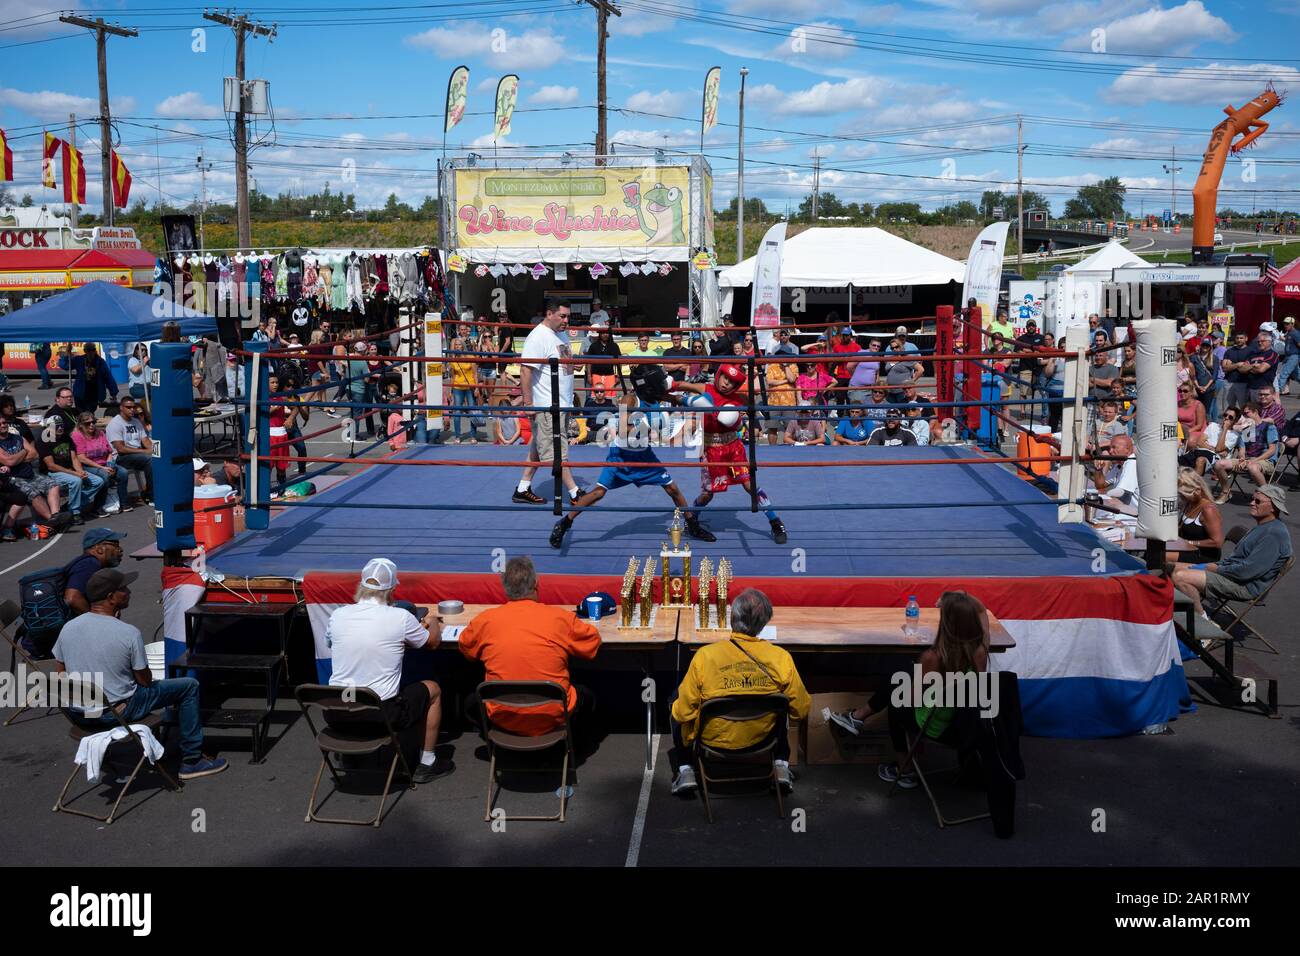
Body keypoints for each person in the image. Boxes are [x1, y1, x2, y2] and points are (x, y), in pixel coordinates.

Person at [54, 568, 229, 780]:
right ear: (111, 598)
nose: (129, 591)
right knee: (188, 686)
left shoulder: (68, 628)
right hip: (116, 712)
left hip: (80, 716)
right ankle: (191, 760)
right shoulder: (127, 633)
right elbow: (144, 681)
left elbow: (61, 674)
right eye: (123, 589)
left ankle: (165, 745)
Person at [827, 591, 993, 793]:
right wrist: (960, 597)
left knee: (895, 697)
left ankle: (904, 769)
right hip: (968, 726)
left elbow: (911, 699)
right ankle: (857, 717)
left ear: (946, 624)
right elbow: (982, 609)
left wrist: (909, 677)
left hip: (939, 727)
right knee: (898, 678)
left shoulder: (933, 657)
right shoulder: (981, 650)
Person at [668, 587, 809, 796]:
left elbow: (683, 713)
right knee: (783, 706)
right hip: (762, 738)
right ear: (764, 623)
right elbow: (801, 709)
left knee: (676, 701)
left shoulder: (705, 657)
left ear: (732, 619)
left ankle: (686, 768)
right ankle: (781, 765)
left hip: (712, 739)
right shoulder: (781, 658)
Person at [324, 558, 453, 783]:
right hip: (380, 714)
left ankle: (349, 755)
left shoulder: (338, 615)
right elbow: (431, 643)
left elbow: (332, 644)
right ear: (392, 590)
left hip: (336, 712)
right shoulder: (400, 617)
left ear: (361, 585)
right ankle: (427, 762)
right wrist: (432, 621)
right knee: (433, 689)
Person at [458, 555, 601, 742]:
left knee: (470, 701)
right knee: (587, 696)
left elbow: (466, 648)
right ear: (536, 584)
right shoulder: (560, 619)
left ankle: (500, 747)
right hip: (553, 715)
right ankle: (568, 749)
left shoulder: (485, 620)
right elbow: (592, 645)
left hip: (502, 715)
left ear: (505, 589)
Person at [550, 391, 715, 548]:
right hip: (620, 456)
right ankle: (565, 523)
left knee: (672, 488)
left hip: (643, 455)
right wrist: (644, 429)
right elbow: (622, 430)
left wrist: (688, 407)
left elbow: (675, 401)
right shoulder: (629, 399)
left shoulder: (656, 399)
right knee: (598, 493)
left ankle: (692, 524)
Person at [674, 365, 788, 543]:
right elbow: (681, 385)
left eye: (732, 382)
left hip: (733, 447)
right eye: (725, 378)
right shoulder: (706, 388)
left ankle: (775, 521)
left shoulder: (738, 399)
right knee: (708, 493)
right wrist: (663, 389)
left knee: (750, 485)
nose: (726, 384)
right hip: (710, 448)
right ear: (718, 375)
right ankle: (692, 520)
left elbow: (749, 406)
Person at [1172, 485, 1292, 617]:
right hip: (1231, 573)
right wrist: (1217, 567)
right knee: (1171, 568)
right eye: (1253, 499)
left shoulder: (1273, 535)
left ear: (1273, 507)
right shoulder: (1264, 526)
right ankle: (1179, 611)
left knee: (1181, 577)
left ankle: (1201, 621)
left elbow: (1248, 571)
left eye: (1257, 501)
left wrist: (1216, 569)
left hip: (1245, 585)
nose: (1251, 503)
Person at [513, 299, 581, 506]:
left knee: (539, 446)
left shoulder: (559, 334)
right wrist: (528, 404)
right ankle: (575, 493)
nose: (566, 321)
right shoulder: (538, 336)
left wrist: (572, 365)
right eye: (562, 316)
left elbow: (562, 362)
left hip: (561, 402)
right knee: (556, 451)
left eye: (568, 316)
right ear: (549, 314)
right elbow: (526, 370)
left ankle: (523, 488)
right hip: (546, 405)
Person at [0, 394, 67, 530]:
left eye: (5, 423)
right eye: (0, 424)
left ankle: (55, 515)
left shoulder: (18, 437)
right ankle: (51, 519)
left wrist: (17, 457)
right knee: (32, 493)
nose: (3, 425)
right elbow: (9, 461)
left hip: (29, 473)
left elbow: (34, 454)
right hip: (13, 477)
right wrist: (24, 452)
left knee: (53, 485)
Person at [38, 406, 105, 522]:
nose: (59, 428)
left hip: (69, 470)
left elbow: (74, 458)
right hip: (52, 473)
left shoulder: (66, 438)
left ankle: (71, 506)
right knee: (76, 481)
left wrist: (80, 471)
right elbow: (51, 466)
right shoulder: (44, 441)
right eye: (56, 426)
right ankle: (75, 513)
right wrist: (74, 473)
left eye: (61, 425)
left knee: (98, 481)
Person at [1212, 401, 1279, 503]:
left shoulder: (1268, 427)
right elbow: (1242, 449)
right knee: (1219, 464)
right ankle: (1226, 492)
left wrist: (1254, 461)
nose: (1244, 416)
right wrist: (1242, 458)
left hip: (1265, 460)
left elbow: (1272, 450)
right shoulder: (1247, 429)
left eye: (1246, 413)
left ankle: (1267, 495)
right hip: (1248, 460)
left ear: (1255, 412)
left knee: (1252, 467)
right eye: (1243, 414)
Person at [62, 527, 128, 616]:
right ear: (99, 548)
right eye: (115, 545)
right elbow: (72, 598)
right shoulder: (89, 564)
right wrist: (97, 621)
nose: (120, 549)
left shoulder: (94, 564)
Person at [105, 397, 153, 506]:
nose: (132, 410)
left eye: (133, 407)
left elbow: (146, 441)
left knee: (159, 458)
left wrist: (153, 450)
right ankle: (151, 496)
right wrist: (145, 451)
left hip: (136, 455)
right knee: (149, 460)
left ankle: (150, 491)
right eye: (128, 407)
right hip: (120, 457)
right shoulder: (115, 424)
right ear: (121, 408)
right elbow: (120, 448)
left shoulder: (136, 422)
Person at [1176, 467, 1224, 562]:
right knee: (1154, 548)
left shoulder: (1208, 510)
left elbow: (1218, 542)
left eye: (1183, 494)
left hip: (1204, 555)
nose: (1181, 497)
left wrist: (1188, 542)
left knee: (1161, 556)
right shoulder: (1188, 503)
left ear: (1197, 491)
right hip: (1188, 549)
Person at [59, 343, 119, 416]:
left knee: (89, 412)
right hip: (80, 392)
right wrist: (66, 354)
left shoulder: (100, 362)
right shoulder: (79, 360)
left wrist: (113, 393)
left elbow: (108, 377)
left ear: (95, 350)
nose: (91, 352)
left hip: (94, 392)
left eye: (93, 350)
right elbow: (64, 366)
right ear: (85, 351)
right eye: (88, 350)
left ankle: (88, 424)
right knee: (81, 412)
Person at [1180, 405, 1241, 477]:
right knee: (1179, 460)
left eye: (1230, 417)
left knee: (1200, 460)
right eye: (1225, 415)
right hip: (1200, 451)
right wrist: (1213, 448)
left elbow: (1219, 449)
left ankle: (1194, 486)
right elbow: (1199, 442)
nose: (1226, 418)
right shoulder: (1213, 425)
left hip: (1215, 458)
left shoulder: (1234, 435)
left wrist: (1225, 429)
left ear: (1236, 420)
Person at [1093, 433, 1139, 507]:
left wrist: (1102, 497)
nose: (1110, 451)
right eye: (1110, 448)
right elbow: (1100, 485)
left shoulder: (1132, 462)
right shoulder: (1119, 464)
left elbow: (1120, 492)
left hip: (1133, 513)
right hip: (1123, 508)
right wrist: (1098, 469)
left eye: (1114, 447)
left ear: (1127, 449)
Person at [1219, 330, 1253, 411]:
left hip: (1243, 383)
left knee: (1243, 408)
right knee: (1227, 409)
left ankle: (1244, 424)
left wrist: (1231, 365)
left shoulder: (1251, 351)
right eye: (1237, 338)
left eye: (1241, 338)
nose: (1239, 340)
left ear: (1246, 339)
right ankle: (1228, 423)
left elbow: (1245, 369)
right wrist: (1237, 365)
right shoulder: (1229, 351)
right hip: (1228, 382)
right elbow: (1224, 368)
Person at [584, 325, 622, 395]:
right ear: (600, 334)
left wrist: (619, 376)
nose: (605, 335)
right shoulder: (593, 346)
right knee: (595, 397)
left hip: (610, 375)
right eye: (603, 333)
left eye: (607, 333)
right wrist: (589, 376)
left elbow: (619, 362)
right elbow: (589, 361)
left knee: (609, 398)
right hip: (596, 375)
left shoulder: (614, 346)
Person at [1245, 329, 1280, 402]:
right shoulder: (1253, 354)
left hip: (1264, 390)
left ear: (1269, 342)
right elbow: (1242, 369)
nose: (1260, 343)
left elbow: (1261, 369)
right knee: (1253, 412)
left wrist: (1249, 368)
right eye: (1258, 341)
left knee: (1263, 411)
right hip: (1251, 388)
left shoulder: (1272, 354)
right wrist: (1254, 366)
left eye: (1262, 341)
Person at [1176, 383, 1207, 450]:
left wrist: (1186, 432)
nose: (1182, 393)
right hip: (1180, 429)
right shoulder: (1177, 404)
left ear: (1191, 393)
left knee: (1190, 441)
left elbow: (1199, 425)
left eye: (1185, 391)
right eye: (1180, 391)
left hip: (1195, 430)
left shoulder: (1198, 405)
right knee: (1166, 437)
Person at [1279, 316, 1300, 396]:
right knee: (1297, 375)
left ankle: (1276, 392)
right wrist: (1283, 339)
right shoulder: (1289, 333)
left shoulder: (1295, 333)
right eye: (1284, 324)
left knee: (1284, 374)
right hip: (1289, 357)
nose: (1285, 325)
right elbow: (1290, 342)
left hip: (1293, 356)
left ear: (1292, 324)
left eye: (1287, 324)